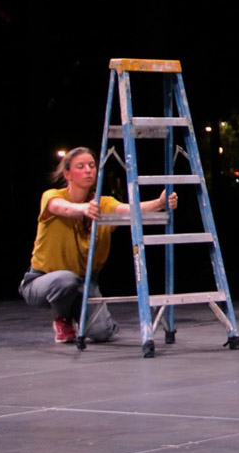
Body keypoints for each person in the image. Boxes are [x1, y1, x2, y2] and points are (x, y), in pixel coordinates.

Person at [19, 147, 178, 344]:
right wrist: (83, 209)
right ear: (67, 174)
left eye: (92, 165)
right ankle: (63, 318)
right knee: (65, 280)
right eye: (81, 166)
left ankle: (82, 313)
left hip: (84, 283)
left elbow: (129, 210)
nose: (88, 170)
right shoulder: (52, 196)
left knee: (102, 332)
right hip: (42, 282)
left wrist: (160, 203)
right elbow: (62, 208)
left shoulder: (103, 203)